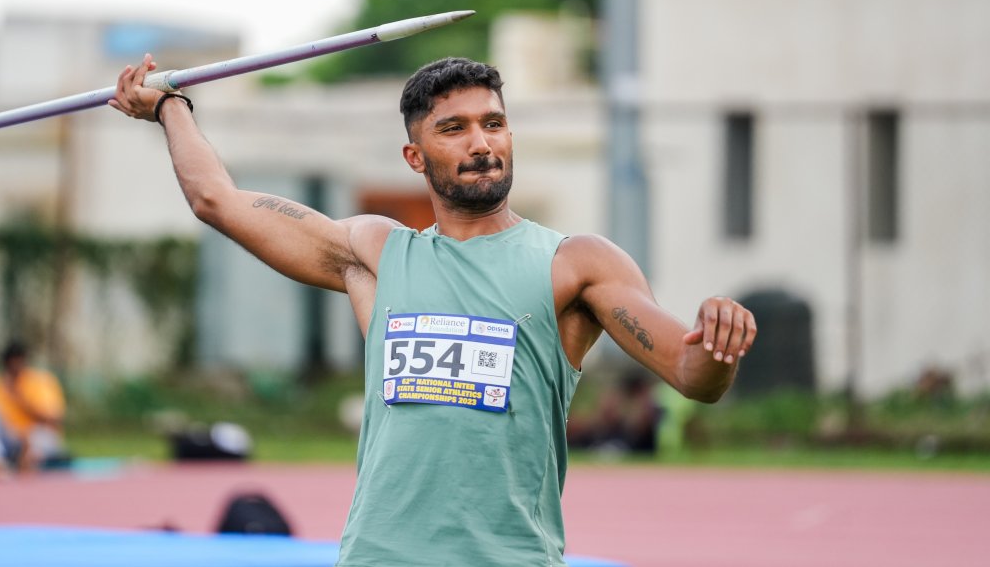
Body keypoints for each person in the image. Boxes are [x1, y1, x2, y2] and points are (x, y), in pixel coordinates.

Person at [111, 54, 757, 566]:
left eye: (493, 123)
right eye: (454, 129)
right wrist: (169, 106)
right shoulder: (376, 254)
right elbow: (216, 200)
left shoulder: (575, 265)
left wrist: (719, 346)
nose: (481, 142)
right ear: (415, 157)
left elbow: (690, 371)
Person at [0, 340, 68, 475]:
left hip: (35, 435)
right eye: (10, 364)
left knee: (40, 437)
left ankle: (27, 459)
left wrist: (18, 399)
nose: (15, 368)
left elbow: (54, 420)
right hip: (7, 437)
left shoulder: (41, 381)